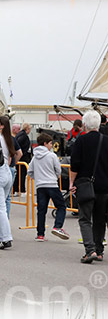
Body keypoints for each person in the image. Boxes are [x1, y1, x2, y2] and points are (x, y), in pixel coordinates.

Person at [69, 110, 108, 263]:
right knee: (100, 220)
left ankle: (89, 250)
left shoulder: (81, 141)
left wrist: (71, 183)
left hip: (85, 185)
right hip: (104, 187)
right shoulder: (106, 141)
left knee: (85, 219)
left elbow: (75, 165)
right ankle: (99, 251)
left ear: (84, 125)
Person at [27, 132, 69, 242]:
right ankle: (57, 226)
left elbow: (30, 171)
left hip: (40, 186)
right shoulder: (52, 156)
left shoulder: (35, 157)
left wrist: (38, 178)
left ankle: (40, 234)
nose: (51, 145)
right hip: (52, 184)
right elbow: (58, 169)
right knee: (61, 206)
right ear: (45, 143)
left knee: (41, 210)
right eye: (50, 143)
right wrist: (54, 177)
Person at [0, 114, 17, 249]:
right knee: (2, 208)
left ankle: (5, 238)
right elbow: (11, 156)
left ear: (1, 126)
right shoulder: (8, 139)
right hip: (7, 172)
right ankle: (2, 237)